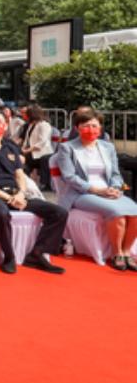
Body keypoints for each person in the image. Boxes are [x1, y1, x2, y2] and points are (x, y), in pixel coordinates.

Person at [0, 111, 67, 274]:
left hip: (16, 194)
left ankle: (37, 254)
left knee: (58, 213)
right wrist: (8, 198)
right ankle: (9, 256)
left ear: (5, 126)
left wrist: (20, 194)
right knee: (1, 212)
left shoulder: (11, 146)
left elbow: (20, 175)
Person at [54, 110, 137, 271]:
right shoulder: (67, 148)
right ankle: (116, 253)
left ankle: (127, 252)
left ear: (100, 128)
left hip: (108, 190)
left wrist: (114, 187)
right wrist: (97, 190)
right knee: (116, 212)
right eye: (86, 126)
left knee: (134, 211)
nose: (91, 129)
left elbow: (115, 173)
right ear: (77, 128)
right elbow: (69, 177)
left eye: (94, 126)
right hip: (81, 193)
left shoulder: (107, 147)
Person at [19, 105, 55, 192]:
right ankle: (23, 182)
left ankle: (44, 184)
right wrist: (22, 149)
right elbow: (27, 139)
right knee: (21, 161)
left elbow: (42, 141)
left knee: (43, 160)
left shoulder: (44, 125)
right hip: (31, 151)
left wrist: (28, 150)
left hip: (42, 152)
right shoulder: (31, 125)